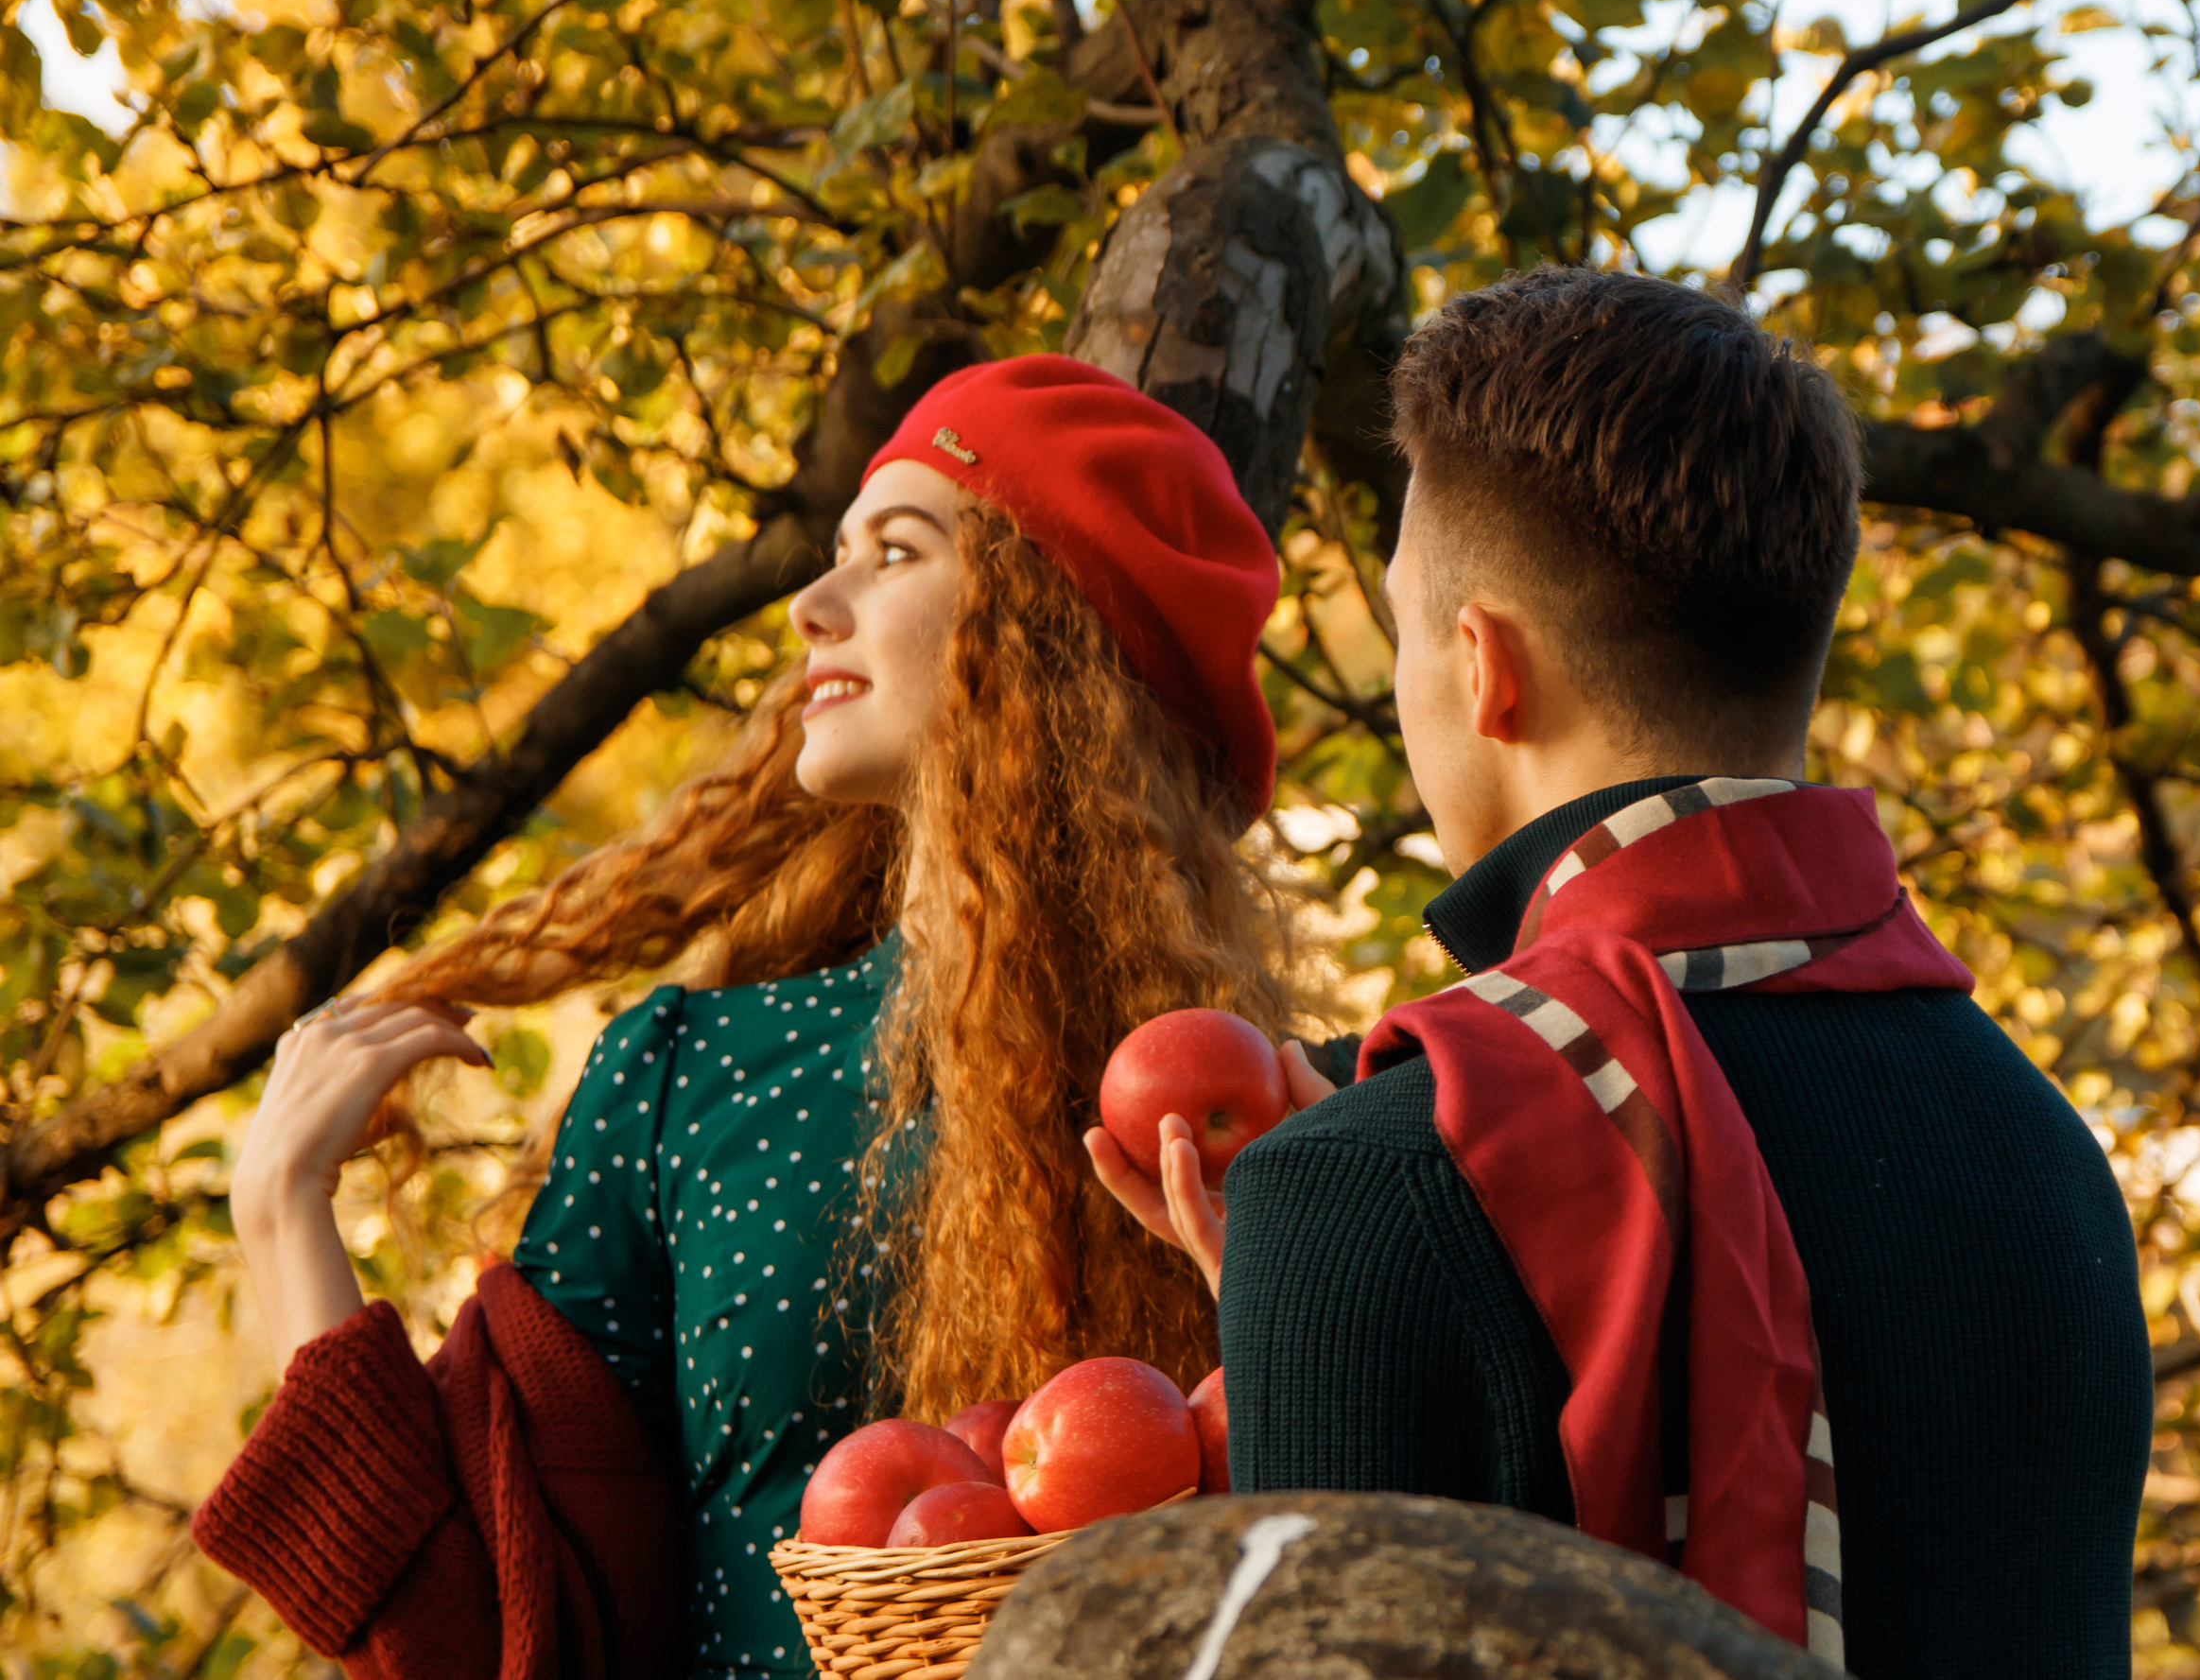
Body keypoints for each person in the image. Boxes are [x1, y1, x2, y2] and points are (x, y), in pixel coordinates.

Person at [191, 355, 1350, 1680]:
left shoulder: (1266, 1117)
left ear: (1042, 633)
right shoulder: (690, 1073)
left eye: (893, 553)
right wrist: (283, 1212)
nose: (812, 605)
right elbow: (480, 1637)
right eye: (832, 555)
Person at [1093, 269, 2152, 1677]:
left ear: (1483, 670)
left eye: (1408, 625)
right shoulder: (2044, 1149)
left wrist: (1318, 1279)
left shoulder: (1358, 1185)